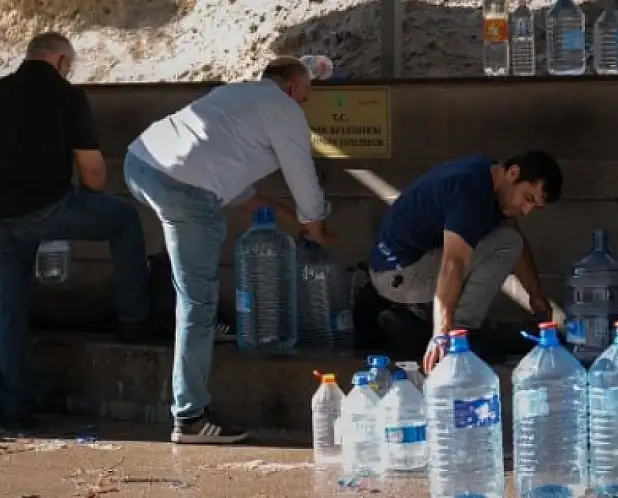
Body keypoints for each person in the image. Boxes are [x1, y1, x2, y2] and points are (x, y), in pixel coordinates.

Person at [123, 56, 336, 444]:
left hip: (139, 163)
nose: (306, 100)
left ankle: (201, 332)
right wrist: (316, 223)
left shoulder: (235, 95)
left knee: (196, 269)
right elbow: (304, 180)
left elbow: (228, 183)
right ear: (292, 87)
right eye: (306, 92)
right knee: (196, 301)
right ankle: (189, 417)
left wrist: (293, 219)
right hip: (180, 187)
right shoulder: (285, 108)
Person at [0, 32, 151, 428]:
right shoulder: (67, 96)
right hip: (47, 206)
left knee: (7, 305)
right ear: (62, 60)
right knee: (125, 220)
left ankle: (16, 404)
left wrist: (5, 185)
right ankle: (135, 322)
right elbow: (95, 175)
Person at [368, 152, 564, 373]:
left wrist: (536, 296)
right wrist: (442, 334)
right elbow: (453, 263)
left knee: (507, 238)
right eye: (528, 198)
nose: (527, 211)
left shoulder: (487, 173)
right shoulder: (471, 193)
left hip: (399, 269)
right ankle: (460, 336)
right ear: (513, 173)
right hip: (398, 274)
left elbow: (510, 228)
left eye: (535, 207)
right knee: (506, 244)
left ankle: (420, 317)